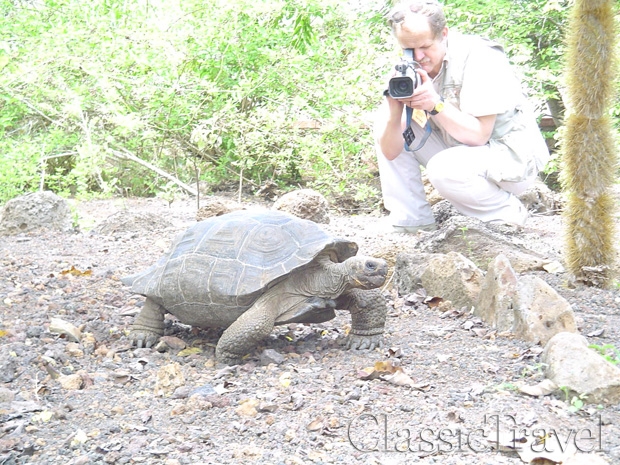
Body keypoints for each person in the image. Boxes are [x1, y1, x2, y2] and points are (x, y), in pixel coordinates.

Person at [374, 0, 550, 233]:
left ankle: (506, 214)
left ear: (444, 34)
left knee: (443, 168)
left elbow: (479, 135)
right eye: (408, 49)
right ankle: (411, 221)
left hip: (511, 161)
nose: (418, 56)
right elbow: (391, 151)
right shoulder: (409, 69)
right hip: (462, 154)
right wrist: (395, 111)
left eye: (425, 46)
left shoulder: (480, 57)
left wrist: (434, 104)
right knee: (385, 120)